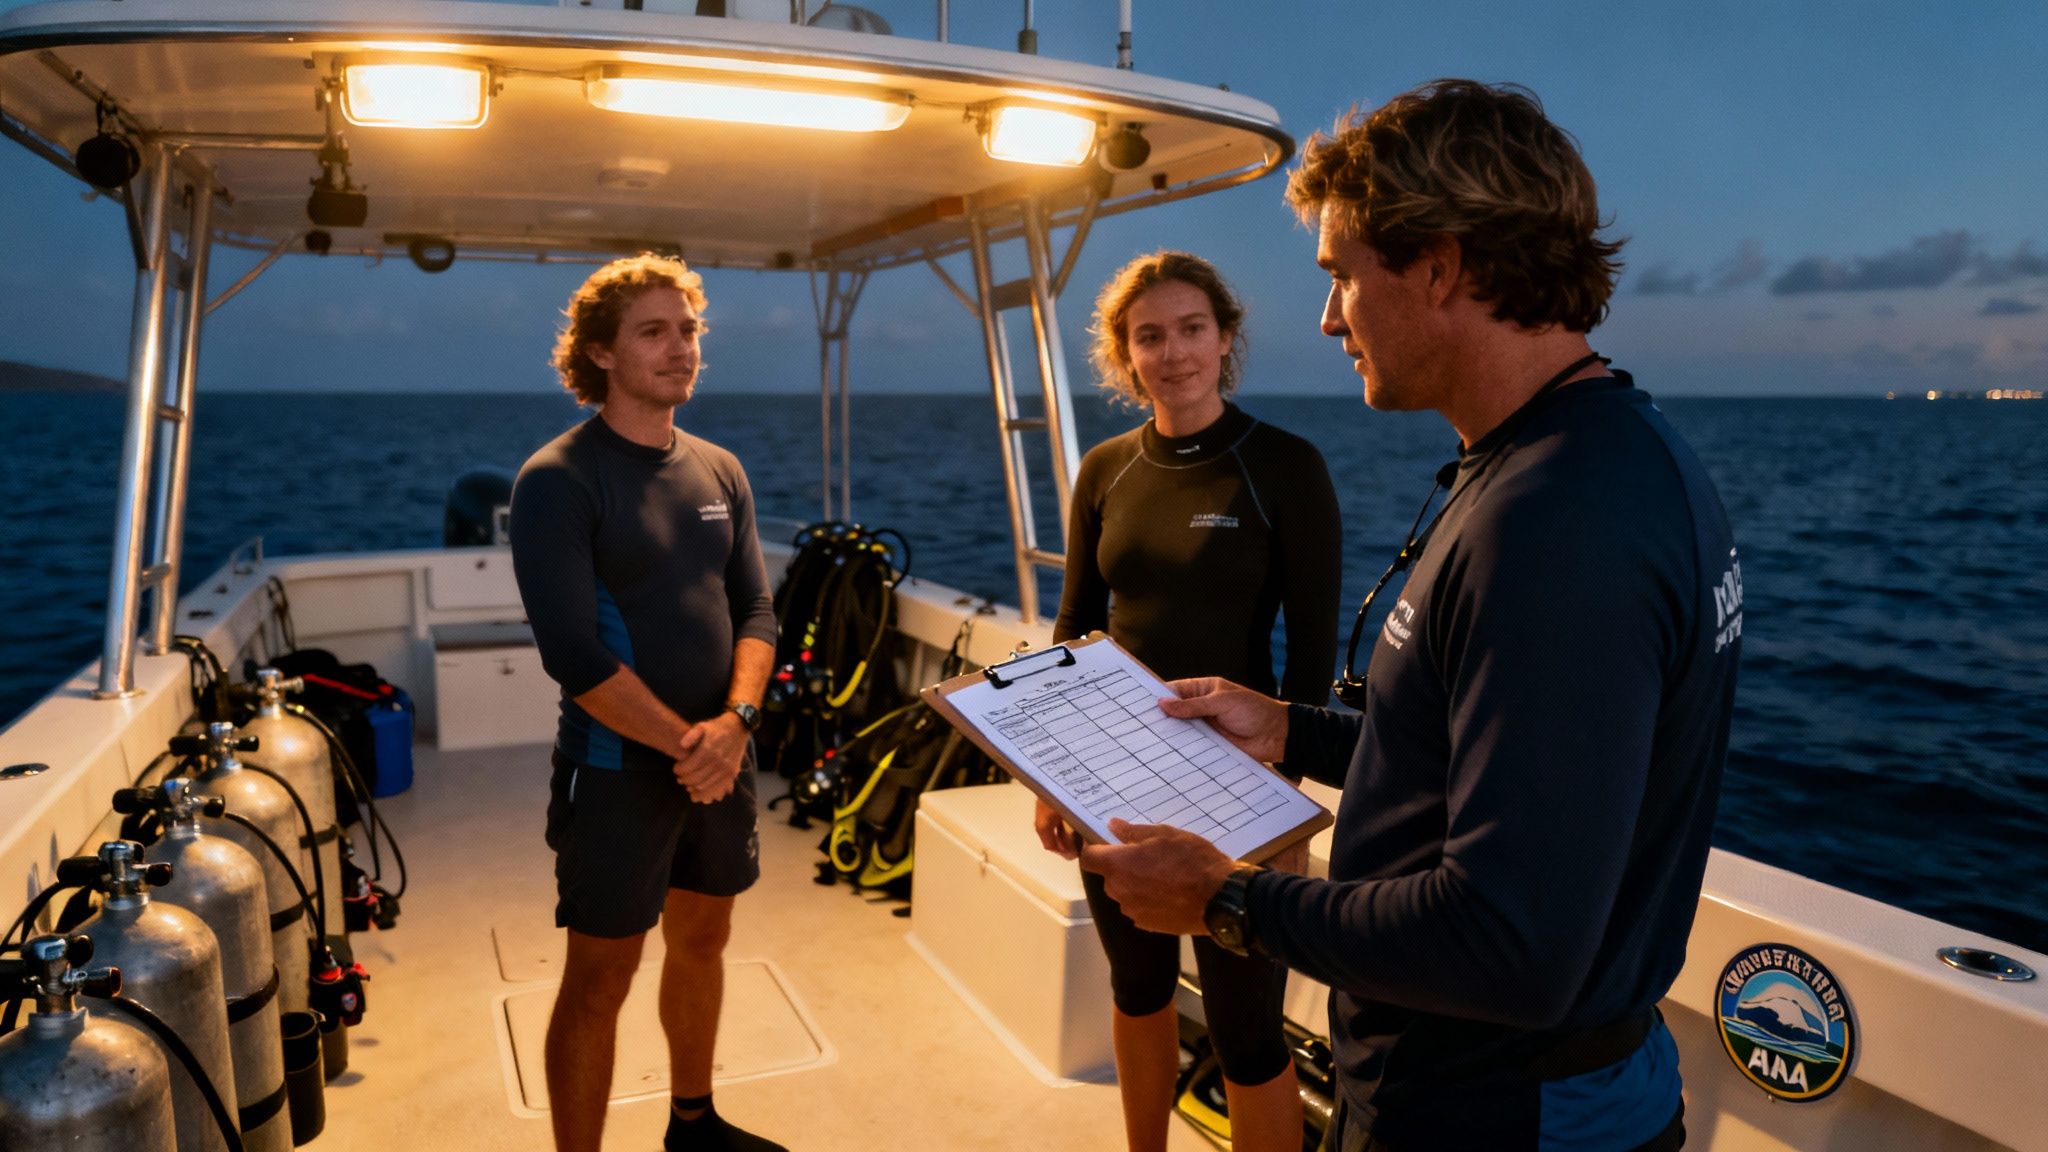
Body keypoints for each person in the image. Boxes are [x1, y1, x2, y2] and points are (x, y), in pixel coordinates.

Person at [1079, 80, 1742, 1151]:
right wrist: (1290, 729)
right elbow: (1480, 757)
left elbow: (1505, 942)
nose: (1329, 316)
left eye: (1340, 275)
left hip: (1500, 1112)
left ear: (1435, 267)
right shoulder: (1601, 457)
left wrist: (1226, 901)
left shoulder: (1556, 526)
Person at [1036, 250, 1343, 1152]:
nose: (1173, 354)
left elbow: (1313, 659)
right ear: (1125, 355)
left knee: (1249, 1033)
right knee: (1137, 991)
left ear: (1226, 339)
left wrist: (1287, 801)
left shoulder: (1283, 466)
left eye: (1192, 330)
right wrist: (1053, 779)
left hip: (1241, 790)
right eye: (1150, 337)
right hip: (1114, 784)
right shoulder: (1105, 471)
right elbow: (1073, 631)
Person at [510, 254, 783, 1152]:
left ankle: (693, 1125)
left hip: (720, 757)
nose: (681, 349)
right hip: (619, 765)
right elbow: (573, 654)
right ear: (599, 354)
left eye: (690, 329)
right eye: (654, 332)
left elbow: (754, 609)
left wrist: (734, 727)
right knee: (600, 977)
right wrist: (689, 746)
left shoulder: (720, 470)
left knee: (703, 941)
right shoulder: (559, 478)